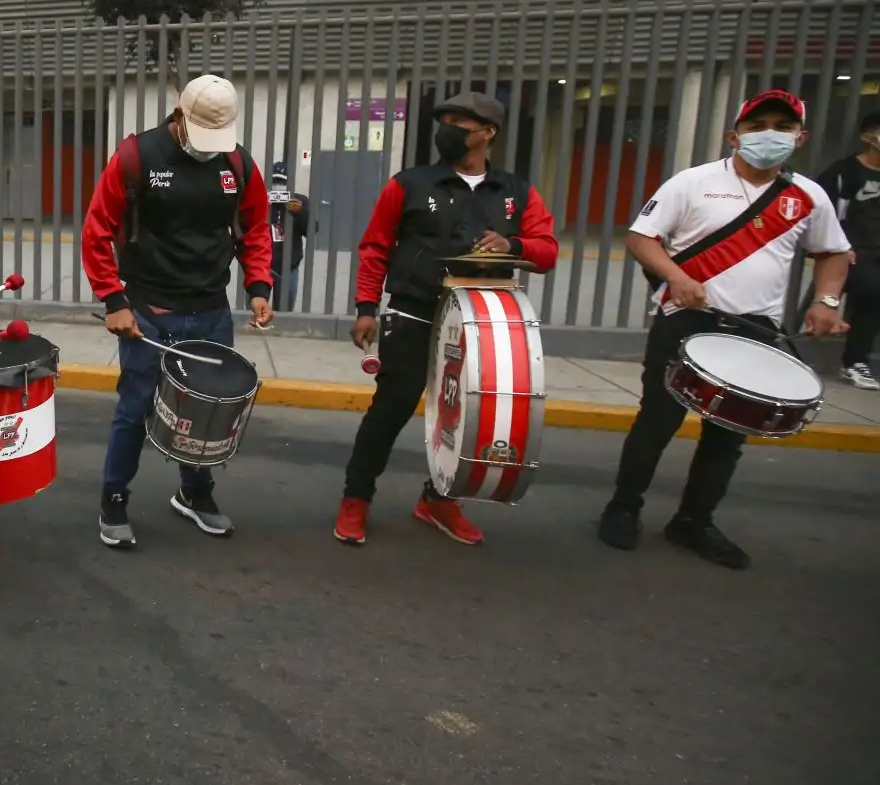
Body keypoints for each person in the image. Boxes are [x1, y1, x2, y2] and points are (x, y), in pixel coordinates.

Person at [598, 89, 851, 568]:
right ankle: (623, 506)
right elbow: (641, 237)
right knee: (658, 420)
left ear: (801, 137)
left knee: (728, 433)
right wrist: (676, 276)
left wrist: (825, 300)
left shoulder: (807, 196)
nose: (768, 136)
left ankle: (693, 521)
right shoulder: (692, 183)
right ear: (733, 136)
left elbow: (834, 252)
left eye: (781, 126)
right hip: (684, 319)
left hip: (755, 328)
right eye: (756, 127)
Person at [335, 91, 557, 548]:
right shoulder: (410, 184)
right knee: (390, 410)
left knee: (467, 416)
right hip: (414, 311)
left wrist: (514, 247)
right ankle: (356, 498)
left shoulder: (516, 192)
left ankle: (439, 499)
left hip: (479, 321)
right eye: (446, 120)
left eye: (460, 121)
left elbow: (547, 249)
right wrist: (365, 309)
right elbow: (375, 246)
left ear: (487, 133)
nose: (448, 129)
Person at [82, 73, 274, 548]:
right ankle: (114, 498)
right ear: (180, 116)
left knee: (206, 413)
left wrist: (259, 286)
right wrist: (114, 299)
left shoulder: (236, 163)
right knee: (136, 408)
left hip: (211, 308)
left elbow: (255, 228)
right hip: (149, 310)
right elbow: (97, 230)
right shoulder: (135, 158)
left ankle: (195, 492)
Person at [816, 109, 880, 390]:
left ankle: (854, 362)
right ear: (868, 136)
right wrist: (839, 247)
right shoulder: (843, 172)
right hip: (847, 250)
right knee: (867, 290)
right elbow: (821, 211)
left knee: (873, 301)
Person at [266, 161, 311, 312]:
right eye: (275, 181)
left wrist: (301, 212)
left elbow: (312, 230)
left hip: (289, 265)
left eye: (282, 182)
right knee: (257, 310)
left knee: (285, 311)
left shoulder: (300, 201)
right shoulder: (262, 199)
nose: (279, 186)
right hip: (263, 264)